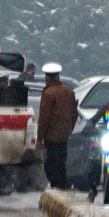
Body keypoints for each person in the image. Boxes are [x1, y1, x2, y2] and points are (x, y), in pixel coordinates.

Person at [37, 62, 77, 190]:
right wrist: (69, 130)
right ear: (58, 77)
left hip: (51, 136)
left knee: (50, 164)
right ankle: (61, 187)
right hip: (64, 135)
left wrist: (39, 137)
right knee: (61, 163)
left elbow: (44, 118)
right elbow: (74, 114)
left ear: (47, 77)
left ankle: (56, 187)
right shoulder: (69, 92)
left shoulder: (48, 93)